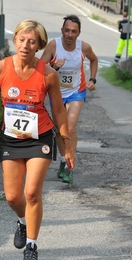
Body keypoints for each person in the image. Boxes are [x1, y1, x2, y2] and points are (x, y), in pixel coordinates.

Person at [0, 19, 75, 260]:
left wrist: (67, 145)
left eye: (31, 41)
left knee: (31, 192)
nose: (25, 45)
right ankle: (22, 221)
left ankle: (32, 246)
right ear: (15, 40)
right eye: (21, 39)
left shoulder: (48, 74)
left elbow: (59, 112)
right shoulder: (0, 69)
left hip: (40, 137)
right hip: (10, 139)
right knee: (12, 197)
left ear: (39, 45)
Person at [40, 14, 98, 184]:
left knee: (70, 127)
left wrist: (92, 79)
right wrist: (54, 67)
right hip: (57, 93)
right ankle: (65, 159)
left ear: (78, 33)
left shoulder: (84, 47)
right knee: (60, 130)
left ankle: (69, 165)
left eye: (73, 31)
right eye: (67, 30)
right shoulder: (54, 46)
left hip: (76, 91)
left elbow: (94, 60)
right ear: (62, 31)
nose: (69, 34)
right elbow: (40, 68)